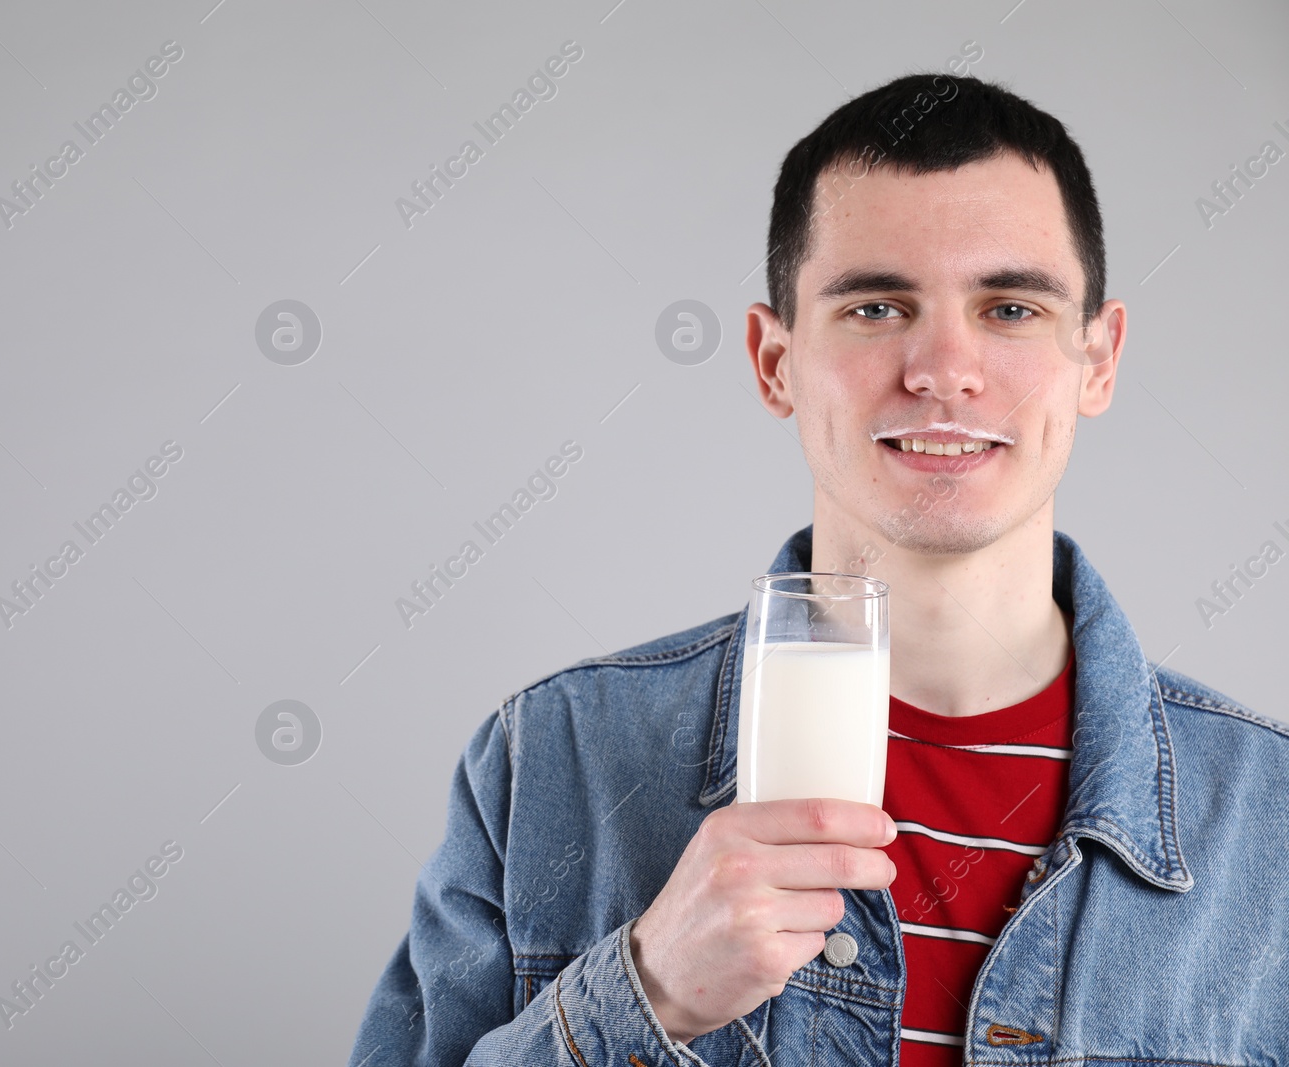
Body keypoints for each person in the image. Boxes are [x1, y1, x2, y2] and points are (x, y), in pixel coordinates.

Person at [346, 71, 1289, 1066]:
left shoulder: (1268, 815)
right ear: (772, 361)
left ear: (1096, 359)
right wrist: (647, 992)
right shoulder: (550, 760)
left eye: (1010, 308)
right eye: (878, 307)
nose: (941, 368)